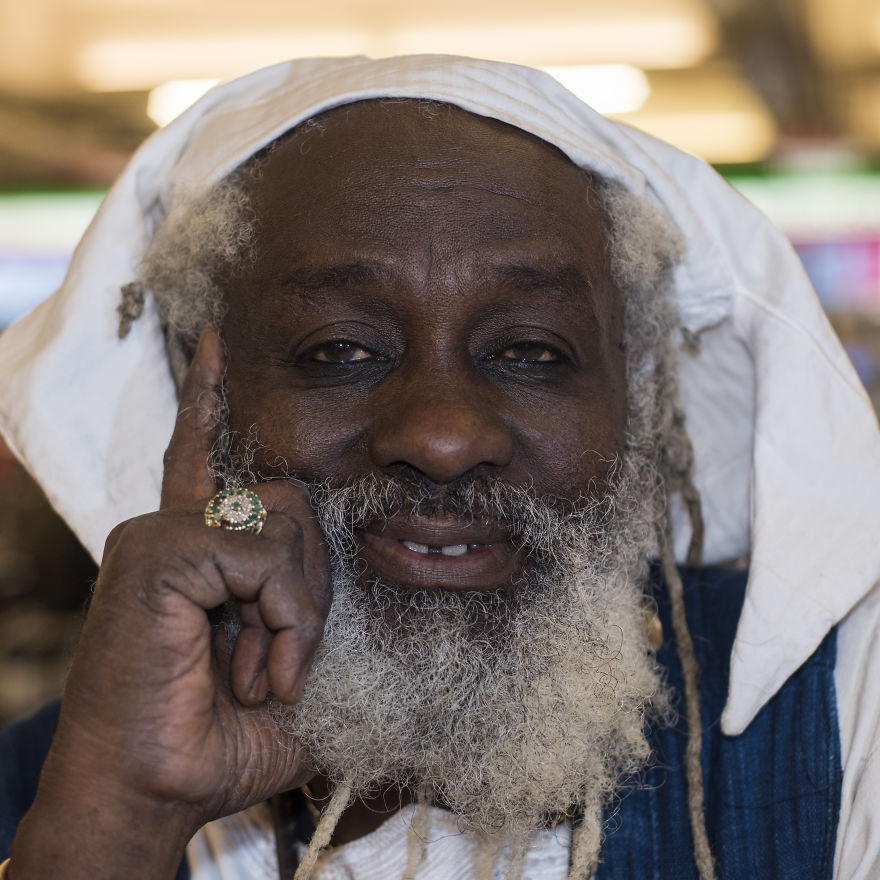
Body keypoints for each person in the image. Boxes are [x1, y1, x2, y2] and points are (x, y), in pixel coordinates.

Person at [0, 55, 879, 880]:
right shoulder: (61, 779)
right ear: (202, 396)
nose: (443, 437)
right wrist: (122, 823)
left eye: (531, 351)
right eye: (340, 350)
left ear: (636, 399)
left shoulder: (849, 710)